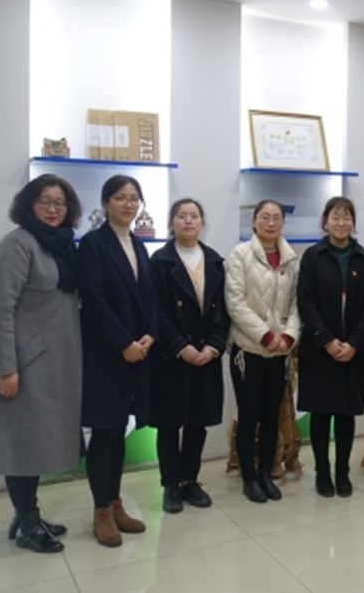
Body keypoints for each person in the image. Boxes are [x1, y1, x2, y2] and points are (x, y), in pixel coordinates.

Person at [0, 174, 83, 554]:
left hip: (54, 364)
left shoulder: (59, 246)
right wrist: (7, 368)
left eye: (60, 203)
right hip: (24, 364)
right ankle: (27, 523)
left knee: (35, 443)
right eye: (45, 201)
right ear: (28, 205)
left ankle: (26, 514)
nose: (53, 209)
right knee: (20, 444)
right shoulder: (16, 245)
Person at [79, 175, 156, 547]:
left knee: (119, 430)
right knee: (104, 432)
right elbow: (93, 301)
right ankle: (100, 512)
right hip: (106, 354)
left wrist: (150, 334)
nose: (129, 204)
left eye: (134, 198)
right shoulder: (93, 244)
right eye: (121, 197)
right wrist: (123, 342)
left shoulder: (139, 245)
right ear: (106, 203)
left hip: (137, 353)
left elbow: (150, 297)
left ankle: (115, 502)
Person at [148, 198, 230, 514]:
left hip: (206, 354)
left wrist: (214, 346)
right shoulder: (160, 261)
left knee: (198, 422)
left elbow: (224, 310)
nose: (188, 221)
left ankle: (190, 480)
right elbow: (156, 310)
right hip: (172, 356)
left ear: (202, 222)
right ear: (172, 223)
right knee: (169, 424)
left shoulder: (214, 261)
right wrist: (180, 346)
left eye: (194, 216)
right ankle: (170, 484)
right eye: (181, 216)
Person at [296, 197, 364, 498]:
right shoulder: (312, 257)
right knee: (320, 413)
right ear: (325, 221)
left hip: (353, 350)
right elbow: (305, 301)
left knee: (345, 413)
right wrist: (327, 340)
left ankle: (342, 472)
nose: (341, 223)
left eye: (347, 218)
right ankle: (322, 472)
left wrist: (354, 342)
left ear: (353, 222)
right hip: (319, 349)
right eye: (335, 217)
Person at [225, 199, 301, 504]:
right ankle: (249, 477)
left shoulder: (290, 258)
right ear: (254, 221)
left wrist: (289, 336)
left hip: (280, 351)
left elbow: (297, 304)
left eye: (276, 218)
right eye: (265, 217)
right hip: (248, 349)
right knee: (249, 415)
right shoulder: (239, 255)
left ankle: (267, 474)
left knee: (272, 415)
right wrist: (266, 335)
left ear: (283, 222)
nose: (271, 223)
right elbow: (235, 303)